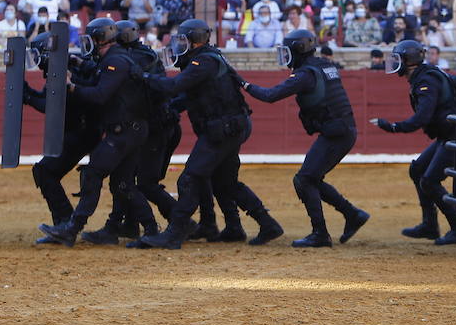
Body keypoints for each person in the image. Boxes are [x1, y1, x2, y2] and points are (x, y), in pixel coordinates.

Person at [135, 19, 284, 249]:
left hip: (223, 129)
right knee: (225, 182)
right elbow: (195, 95)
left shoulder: (202, 62)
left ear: (194, 40)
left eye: (183, 40)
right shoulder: (209, 58)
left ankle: (174, 233)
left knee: (190, 177)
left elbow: (175, 87)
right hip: (230, 126)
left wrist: (144, 77)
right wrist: (171, 108)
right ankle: (259, 224)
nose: (178, 45)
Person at [241, 29, 370, 248]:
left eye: (288, 51)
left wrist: (242, 83)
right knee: (311, 178)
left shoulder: (305, 75)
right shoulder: (322, 65)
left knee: (304, 179)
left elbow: (270, 96)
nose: (285, 56)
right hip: (341, 130)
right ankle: (352, 214)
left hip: (337, 133)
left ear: (298, 50)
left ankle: (321, 233)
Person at [37, 17, 160, 246]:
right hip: (129, 130)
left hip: (125, 132)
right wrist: (78, 63)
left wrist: (71, 87)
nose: (87, 44)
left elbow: (100, 94)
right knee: (123, 184)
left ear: (101, 38)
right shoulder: (114, 59)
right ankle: (151, 228)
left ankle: (72, 228)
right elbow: (98, 72)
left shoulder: (116, 62)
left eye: (91, 38)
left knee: (93, 174)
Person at [80, 21, 188, 246]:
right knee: (125, 181)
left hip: (154, 127)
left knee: (143, 183)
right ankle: (124, 224)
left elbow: (106, 87)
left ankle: (180, 222)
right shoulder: (138, 55)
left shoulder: (131, 58)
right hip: (149, 125)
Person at [369, 39, 456, 246]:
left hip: (455, 136)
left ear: (409, 60)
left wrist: (393, 127)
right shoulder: (427, 74)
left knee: (429, 181)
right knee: (417, 171)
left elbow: (421, 118)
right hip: (451, 134)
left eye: (399, 59)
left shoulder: (426, 80)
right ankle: (429, 225)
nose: (395, 63)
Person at [24, 28, 103, 245]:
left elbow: (52, 105)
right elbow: (47, 99)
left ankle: (65, 223)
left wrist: (28, 96)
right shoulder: (59, 70)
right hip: (81, 131)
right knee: (45, 171)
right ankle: (64, 223)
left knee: (45, 171)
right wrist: (29, 94)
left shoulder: (65, 72)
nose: (36, 60)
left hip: (82, 132)